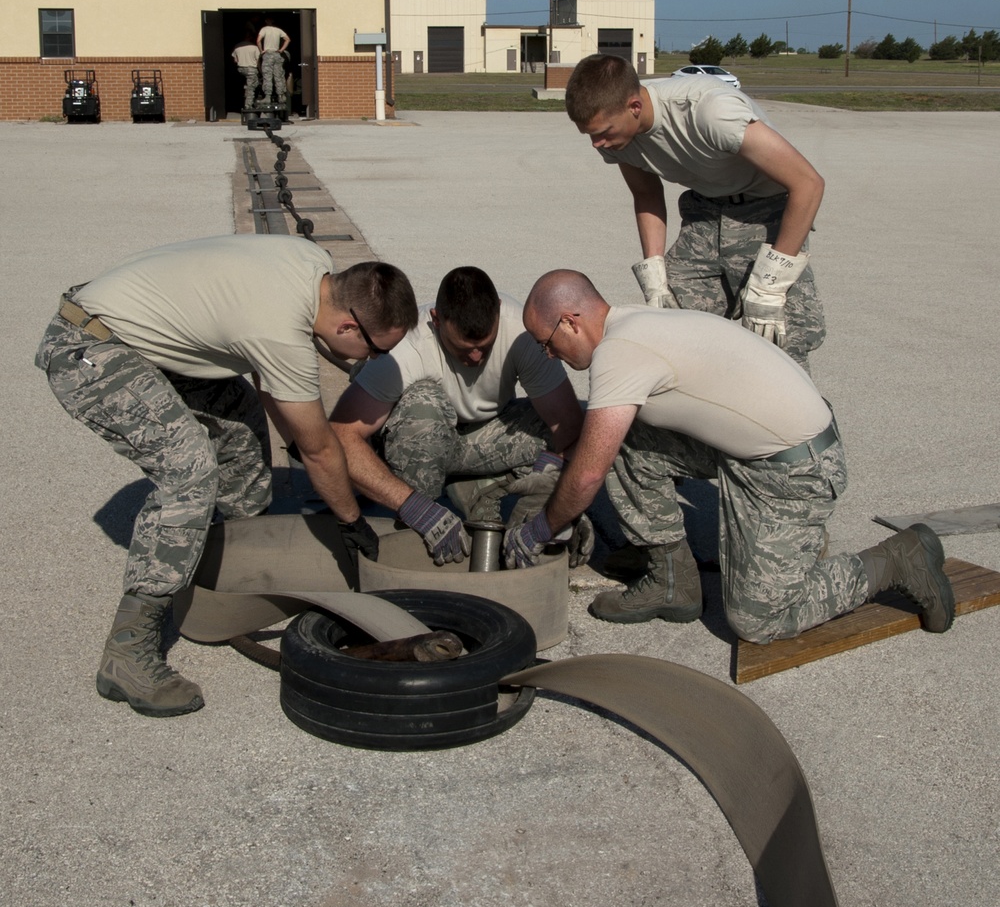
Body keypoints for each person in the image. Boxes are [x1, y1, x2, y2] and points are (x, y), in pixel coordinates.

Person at [35, 236, 417, 718]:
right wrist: (348, 518)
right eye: (375, 351)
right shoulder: (279, 329)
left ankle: (237, 556)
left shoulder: (312, 265)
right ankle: (128, 652)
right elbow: (320, 449)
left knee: (238, 419)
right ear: (347, 325)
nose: (372, 363)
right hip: (89, 347)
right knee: (188, 472)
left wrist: (302, 444)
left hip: (138, 332)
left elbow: (274, 394)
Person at [504, 269, 955, 647]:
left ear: (570, 321)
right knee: (616, 436)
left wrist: (541, 528)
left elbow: (585, 477)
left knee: (759, 619)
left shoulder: (619, 354)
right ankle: (670, 581)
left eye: (546, 342)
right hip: (758, 447)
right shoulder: (633, 321)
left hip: (796, 471)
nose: (548, 355)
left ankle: (897, 558)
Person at [565, 53, 826, 368]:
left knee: (778, 336)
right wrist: (655, 272)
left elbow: (808, 184)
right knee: (669, 323)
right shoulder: (618, 138)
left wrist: (770, 285)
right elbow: (646, 193)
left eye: (603, 131)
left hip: (766, 211)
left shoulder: (710, 111)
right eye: (590, 134)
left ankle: (800, 414)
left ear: (634, 107)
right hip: (705, 211)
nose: (597, 144)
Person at [329, 266, 589, 566]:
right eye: (464, 348)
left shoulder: (520, 331)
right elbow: (341, 436)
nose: (476, 358)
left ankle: (477, 490)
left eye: (484, 347)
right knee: (421, 404)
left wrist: (557, 504)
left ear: (499, 311)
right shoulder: (406, 348)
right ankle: (422, 521)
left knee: (577, 429)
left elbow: (567, 424)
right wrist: (413, 507)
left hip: (478, 438)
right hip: (414, 443)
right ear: (437, 320)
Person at [256, 16, 291, 106]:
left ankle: (268, 97)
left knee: (267, 76)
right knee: (278, 76)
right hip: (277, 54)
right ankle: (281, 96)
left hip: (268, 54)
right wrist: (281, 50)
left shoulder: (264, 29)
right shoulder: (278, 30)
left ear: (266, 21)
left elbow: (258, 40)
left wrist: (261, 51)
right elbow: (288, 39)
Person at [231, 35, 261, 110]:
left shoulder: (237, 46)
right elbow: (258, 61)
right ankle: (248, 106)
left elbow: (235, 60)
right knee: (251, 88)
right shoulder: (255, 47)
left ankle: (242, 100)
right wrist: (260, 71)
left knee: (246, 86)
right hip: (251, 69)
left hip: (240, 69)